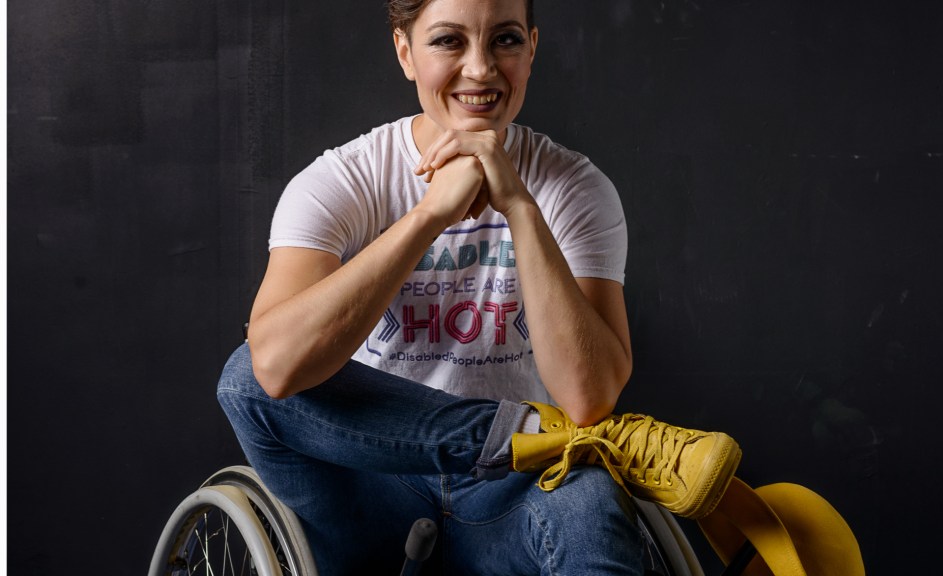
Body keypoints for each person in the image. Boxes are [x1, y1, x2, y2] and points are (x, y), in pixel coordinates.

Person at [216, 0, 741, 573]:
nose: (482, 69)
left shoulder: (576, 189)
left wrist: (519, 206)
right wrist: (429, 215)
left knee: (588, 497)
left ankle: (529, 441)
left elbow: (589, 399)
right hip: (373, 483)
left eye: (505, 40)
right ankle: (519, 431)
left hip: (515, 490)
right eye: (448, 41)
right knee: (245, 380)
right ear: (404, 52)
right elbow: (273, 367)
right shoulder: (344, 180)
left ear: (532, 50)